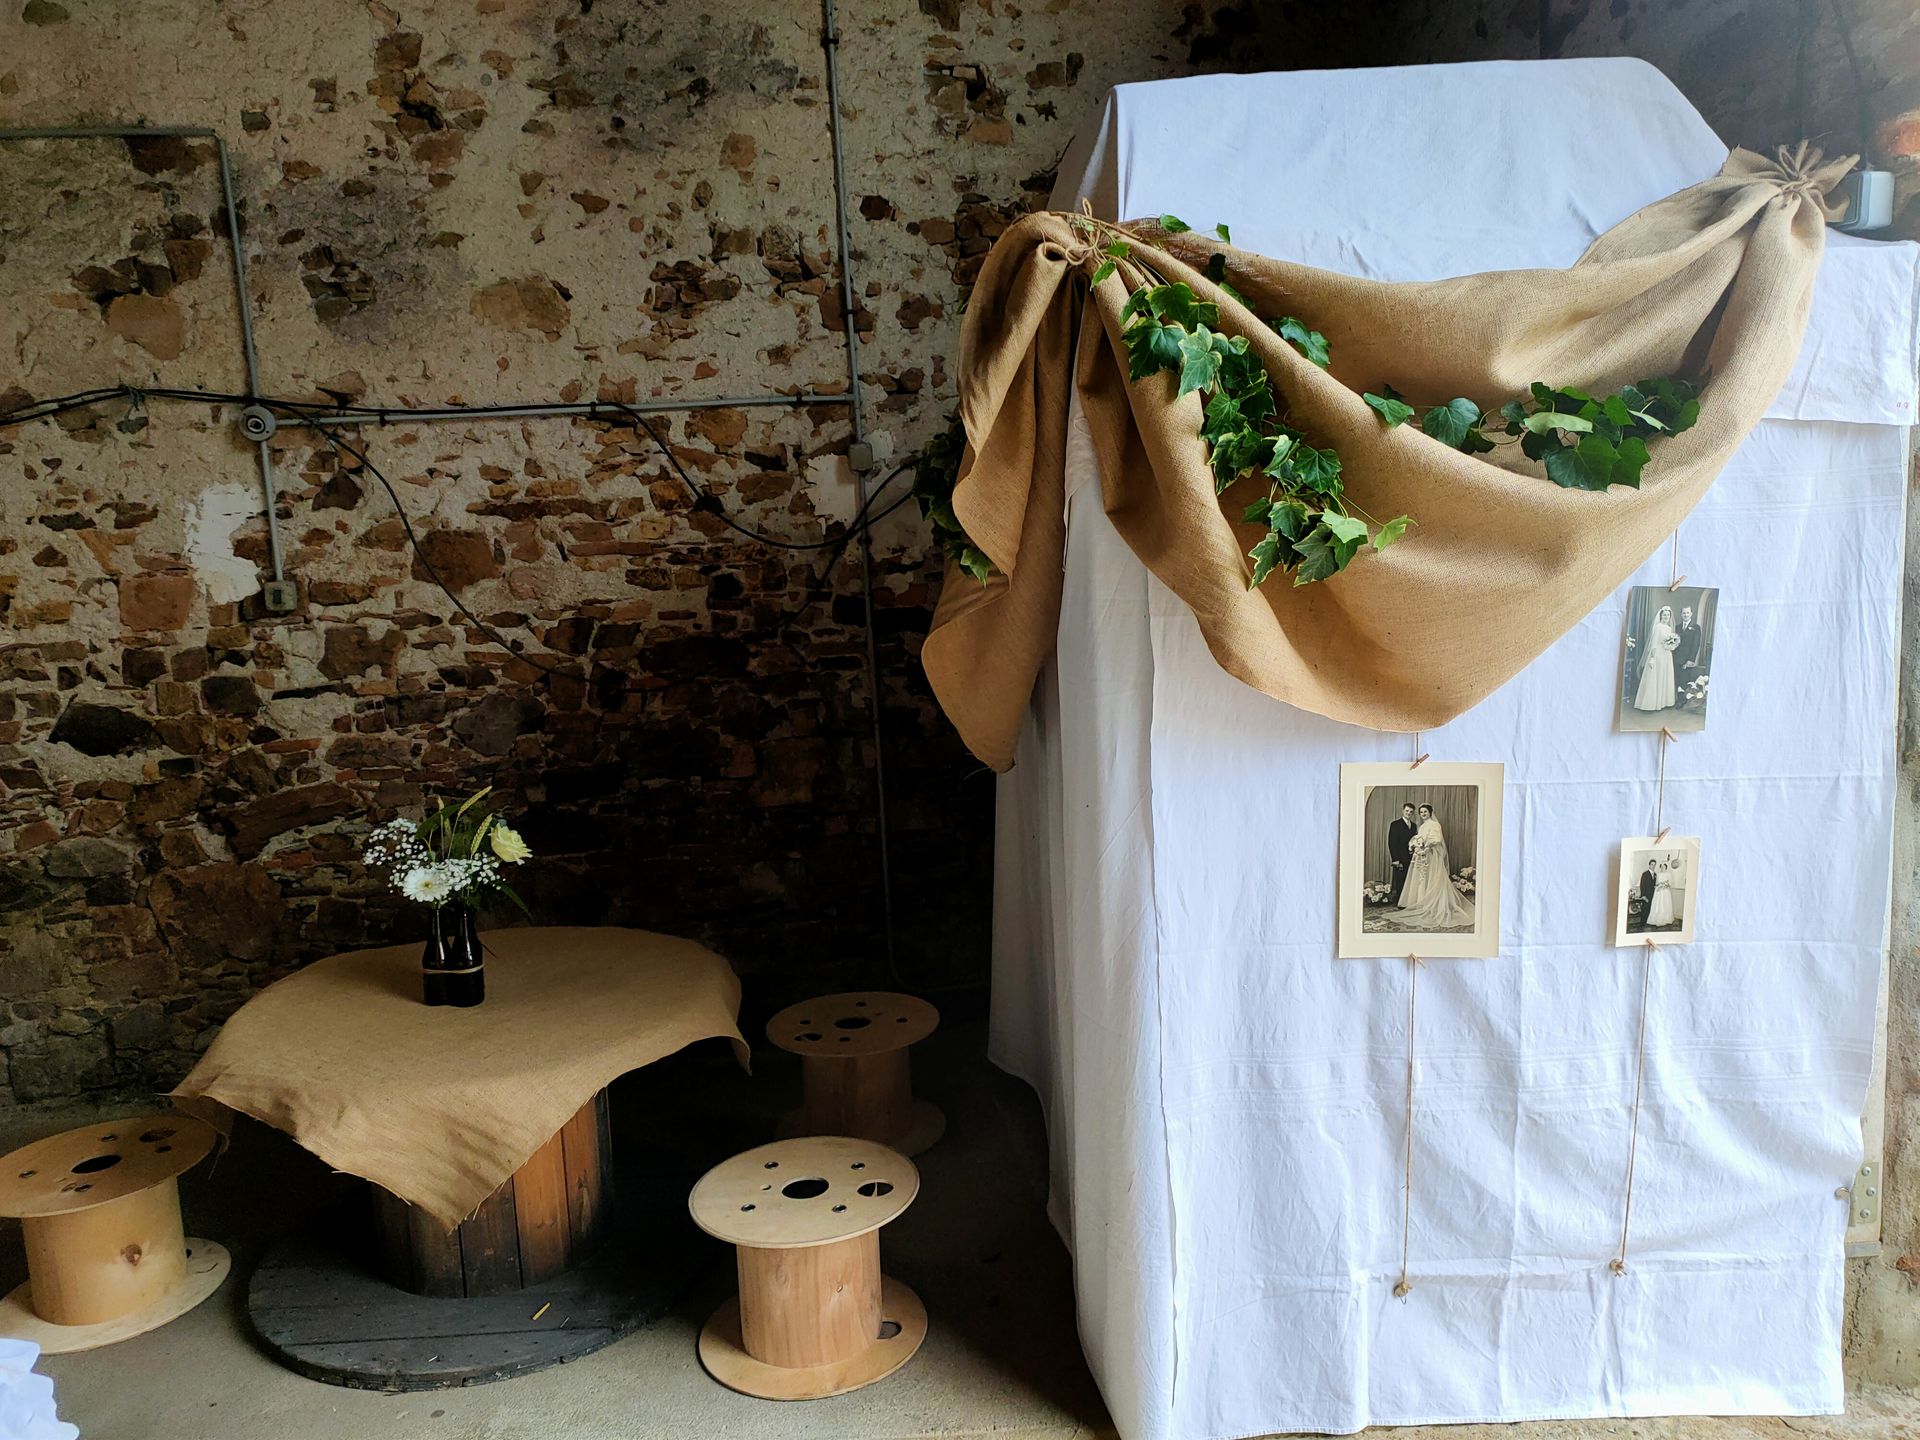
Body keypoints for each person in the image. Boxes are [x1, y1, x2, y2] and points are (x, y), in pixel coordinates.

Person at [1392, 803, 1474, 930]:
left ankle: (1433, 904)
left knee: (1432, 879)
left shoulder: (1435, 825)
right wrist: (1416, 845)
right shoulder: (1422, 826)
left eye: (1425, 812)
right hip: (1422, 857)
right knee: (1422, 879)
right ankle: (1423, 903)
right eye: (1421, 812)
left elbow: (1437, 840)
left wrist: (1426, 845)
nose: (1423, 814)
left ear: (1430, 813)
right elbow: (1418, 839)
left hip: (1432, 856)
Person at [1633, 604, 1679, 712]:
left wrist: (1672, 645)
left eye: (1668, 615)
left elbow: (1670, 642)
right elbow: (1654, 643)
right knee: (1655, 676)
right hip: (1658, 654)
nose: (1666, 617)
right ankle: (1651, 703)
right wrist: (1652, 657)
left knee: (1665, 676)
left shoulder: (1669, 628)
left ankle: (1663, 702)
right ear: (1661, 616)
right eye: (1664, 615)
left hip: (1667, 655)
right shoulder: (1658, 627)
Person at [1387, 802, 1416, 904]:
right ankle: (1400, 903)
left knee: (1410, 880)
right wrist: (1395, 859)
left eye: (1411, 812)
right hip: (1399, 858)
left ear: (1413, 813)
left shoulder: (1414, 826)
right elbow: (1392, 843)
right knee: (1400, 880)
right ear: (1403, 811)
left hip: (1411, 858)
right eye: (1407, 811)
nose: (1408, 813)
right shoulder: (1395, 824)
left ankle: (1408, 901)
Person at [1675, 604, 1706, 678]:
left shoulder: (1696, 628)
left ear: (1691, 614)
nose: (1686, 615)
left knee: (1684, 682)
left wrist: (1691, 660)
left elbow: (1696, 645)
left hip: (1687, 660)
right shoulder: (1677, 627)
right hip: (1676, 659)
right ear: (1681, 614)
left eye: (1687, 613)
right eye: (1684, 613)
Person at [1648, 859, 1677, 928]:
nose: (1662, 868)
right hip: (1658, 891)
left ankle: (1666, 919)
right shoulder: (1658, 874)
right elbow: (1657, 882)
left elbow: (1670, 884)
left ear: (1666, 867)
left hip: (1665, 891)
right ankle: (1656, 920)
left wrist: (1664, 886)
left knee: (1665, 904)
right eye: (1661, 867)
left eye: (1664, 867)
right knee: (1657, 904)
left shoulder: (1668, 874)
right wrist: (1658, 886)